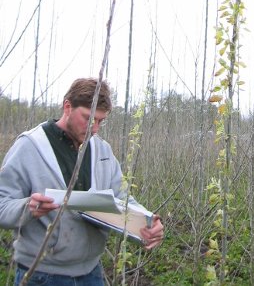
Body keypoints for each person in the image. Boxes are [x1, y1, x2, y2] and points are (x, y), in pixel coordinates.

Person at [0, 78, 164, 285]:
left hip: (91, 272)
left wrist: (147, 222)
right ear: (67, 106)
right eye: (88, 118)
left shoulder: (102, 151)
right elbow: (2, 204)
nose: (94, 129)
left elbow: (121, 197)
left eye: (100, 121)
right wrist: (28, 207)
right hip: (41, 274)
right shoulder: (29, 147)